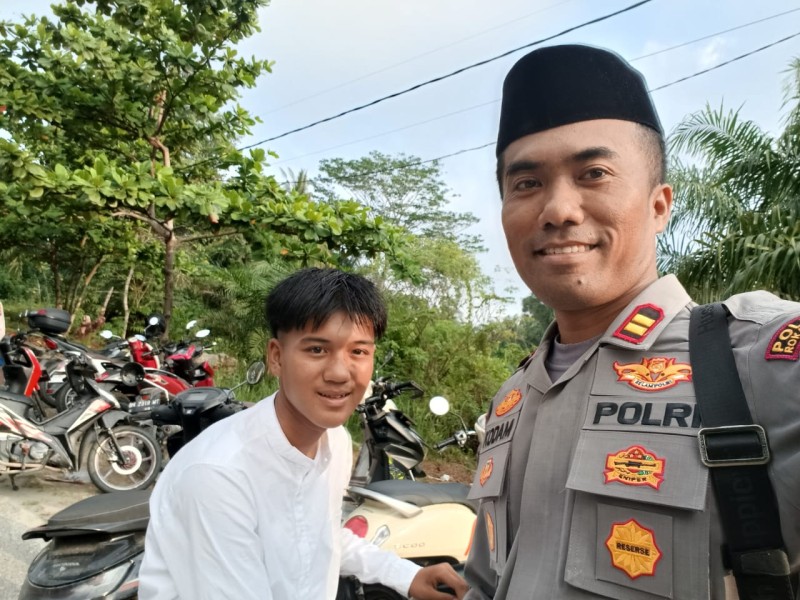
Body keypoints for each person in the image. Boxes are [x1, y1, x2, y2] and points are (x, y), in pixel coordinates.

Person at [463, 44, 800, 599]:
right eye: (526, 183)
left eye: (593, 173)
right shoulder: (512, 401)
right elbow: (485, 581)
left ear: (659, 205)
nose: (558, 210)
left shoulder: (754, 361)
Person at [139, 267, 468, 599]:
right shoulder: (218, 476)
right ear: (277, 357)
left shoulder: (334, 441)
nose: (340, 373)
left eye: (358, 351)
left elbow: (322, 537)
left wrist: (406, 576)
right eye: (317, 350)